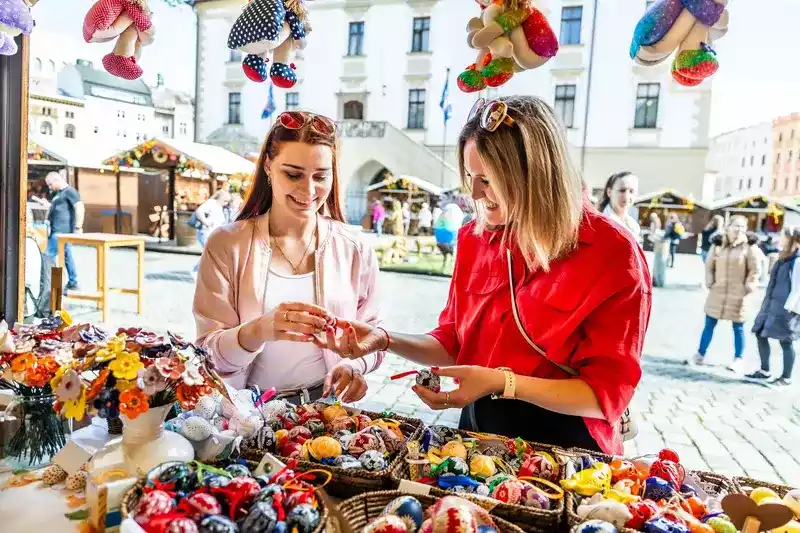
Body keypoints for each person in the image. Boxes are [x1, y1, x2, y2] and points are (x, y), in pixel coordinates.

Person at [313, 96, 652, 454]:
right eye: (471, 177)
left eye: (487, 180)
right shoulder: (476, 237)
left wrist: (502, 382)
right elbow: (454, 343)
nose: (474, 193)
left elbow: (606, 397)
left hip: (566, 445)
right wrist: (384, 338)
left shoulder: (612, 252)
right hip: (478, 435)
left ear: (535, 174)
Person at [193, 110, 384, 404]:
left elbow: (375, 337)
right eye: (293, 174)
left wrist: (353, 365)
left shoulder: (355, 247)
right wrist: (258, 331)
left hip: (326, 408)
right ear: (268, 166)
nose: (308, 190)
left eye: (321, 176)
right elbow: (208, 354)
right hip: (244, 411)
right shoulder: (226, 244)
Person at [688, 216, 761, 373]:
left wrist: (748, 287)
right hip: (718, 291)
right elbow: (709, 266)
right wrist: (710, 282)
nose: (738, 230)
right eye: (736, 226)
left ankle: (738, 359)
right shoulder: (718, 244)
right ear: (728, 227)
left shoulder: (749, 247)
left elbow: (754, 270)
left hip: (738, 294)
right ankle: (700, 354)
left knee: (738, 327)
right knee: (709, 324)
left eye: (742, 227)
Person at [746, 226, 800, 387]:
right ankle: (764, 370)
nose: (779, 238)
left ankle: (786, 378)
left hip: (786, 308)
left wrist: (789, 309)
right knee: (760, 333)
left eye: (783, 235)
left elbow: (797, 287)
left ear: (792, 239)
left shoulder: (797, 260)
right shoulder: (783, 257)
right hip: (771, 304)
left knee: (786, 340)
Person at [33, 171, 84, 291]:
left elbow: (79, 207)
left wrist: (78, 227)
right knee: (66, 257)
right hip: (58, 231)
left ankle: (51, 285)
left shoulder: (70, 191)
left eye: (50, 184)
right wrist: (47, 205)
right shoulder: (60, 194)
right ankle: (72, 282)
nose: (50, 187)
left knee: (48, 257)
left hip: (62, 232)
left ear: (57, 180)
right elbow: (60, 208)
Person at [192, 189, 231, 272]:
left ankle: (199, 270)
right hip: (206, 232)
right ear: (221, 198)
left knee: (210, 253)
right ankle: (197, 270)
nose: (226, 203)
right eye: (225, 200)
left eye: (227, 201)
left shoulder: (221, 208)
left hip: (213, 234)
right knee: (210, 252)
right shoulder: (211, 203)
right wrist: (206, 222)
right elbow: (199, 211)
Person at [599, 171, 641, 238]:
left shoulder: (633, 225)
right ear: (609, 192)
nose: (627, 196)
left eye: (631, 191)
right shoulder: (601, 222)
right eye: (622, 190)